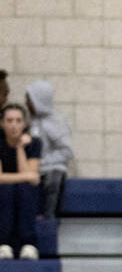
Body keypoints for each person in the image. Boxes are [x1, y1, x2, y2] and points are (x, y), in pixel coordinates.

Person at [24, 80, 73, 220]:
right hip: (35, 174)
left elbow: (67, 151)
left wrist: (42, 162)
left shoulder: (55, 122)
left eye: (29, 100)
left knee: (53, 178)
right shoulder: (31, 121)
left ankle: (48, 221)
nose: (26, 103)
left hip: (51, 174)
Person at [0, 103, 41, 260]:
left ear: (24, 124)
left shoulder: (34, 143)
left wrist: (19, 148)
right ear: (2, 123)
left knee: (25, 188)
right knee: (7, 189)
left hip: (26, 194)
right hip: (4, 193)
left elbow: (30, 178)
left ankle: (28, 245)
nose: (14, 125)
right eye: (9, 120)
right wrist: (27, 177)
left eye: (18, 120)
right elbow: (29, 175)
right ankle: (3, 244)